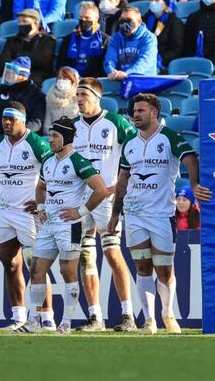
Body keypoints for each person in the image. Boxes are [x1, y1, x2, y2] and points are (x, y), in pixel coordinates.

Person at [108, 93, 211, 334]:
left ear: (155, 112)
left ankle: (168, 313)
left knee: (165, 268)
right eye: (134, 111)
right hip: (134, 214)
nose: (136, 115)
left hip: (162, 214)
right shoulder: (130, 143)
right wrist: (115, 213)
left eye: (141, 110)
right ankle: (149, 320)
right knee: (142, 267)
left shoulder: (170, 137)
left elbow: (190, 159)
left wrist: (194, 185)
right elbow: (123, 180)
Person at [26, 117, 108, 334]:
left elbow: (100, 190)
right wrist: (41, 207)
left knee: (67, 271)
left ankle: (66, 323)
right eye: (50, 135)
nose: (50, 139)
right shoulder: (48, 161)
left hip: (70, 225)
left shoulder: (79, 162)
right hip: (49, 224)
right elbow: (41, 187)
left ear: (66, 138)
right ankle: (33, 321)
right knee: (36, 269)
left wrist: (80, 212)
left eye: (55, 136)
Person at [0, 101, 54, 332]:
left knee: (36, 265)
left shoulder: (36, 144)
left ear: (22, 120)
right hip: (4, 213)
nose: (7, 123)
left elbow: (56, 172)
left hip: (28, 213)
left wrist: (44, 203)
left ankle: (47, 317)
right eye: (4, 119)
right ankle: (18, 316)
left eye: (11, 119)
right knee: (10, 264)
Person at [70, 77, 138, 333]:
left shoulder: (116, 123)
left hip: (108, 199)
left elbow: (135, 153)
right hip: (80, 200)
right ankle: (95, 317)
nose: (78, 100)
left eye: (83, 95)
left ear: (97, 97)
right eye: (76, 96)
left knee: (111, 252)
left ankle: (128, 315)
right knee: (86, 255)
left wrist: (119, 185)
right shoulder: (71, 127)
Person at [0, 57, 46, 135]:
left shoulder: (37, 95)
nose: (8, 76)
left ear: (23, 76)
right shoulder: (0, 90)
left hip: (24, 140)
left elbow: (36, 122)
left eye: (12, 73)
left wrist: (18, 135)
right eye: (7, 72)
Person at [0, 8, 56, 86]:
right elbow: (3, 62)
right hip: (13, 76)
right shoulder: (12, 40)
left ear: (35, 24)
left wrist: (19, 55)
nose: (21, 24)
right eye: (19, 22)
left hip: (36, 78)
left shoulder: (47, 40)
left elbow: (44, 61)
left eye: (25, 21)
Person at [58, 2, 110, 78]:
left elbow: (105, 65)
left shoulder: (105, 40)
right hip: (71, 79)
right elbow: (61, 64)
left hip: (94, 80)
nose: (83, 20)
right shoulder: (68, 39)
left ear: (96, 18)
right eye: (81, 17)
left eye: (87, 18)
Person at [104, 6, 158, 80]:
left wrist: (128, 74)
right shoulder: (115, 38)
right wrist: (111, 71)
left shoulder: (149, 38)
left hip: (144, 81)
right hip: (120, 80)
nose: (125, 23)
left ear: (139, 22)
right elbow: (109, 59)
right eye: (122, 20)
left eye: (129, 20)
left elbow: (145, 61)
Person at [142, 0, 185, 72]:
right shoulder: (143, 21)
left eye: (157, 0)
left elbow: (176, 50)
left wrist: (158, 59)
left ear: (165, 3)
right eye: (151, 0)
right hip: (143, 62)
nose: (153, 2)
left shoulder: (174, 22)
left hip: (164, 65)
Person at [43, 67, 80, 131]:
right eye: (59, 78)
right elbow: (46, 127)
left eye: (65, 78)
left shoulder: (79, 96)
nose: (61, 81)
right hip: (54, 136)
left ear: (73, 80)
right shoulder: (50, 97)